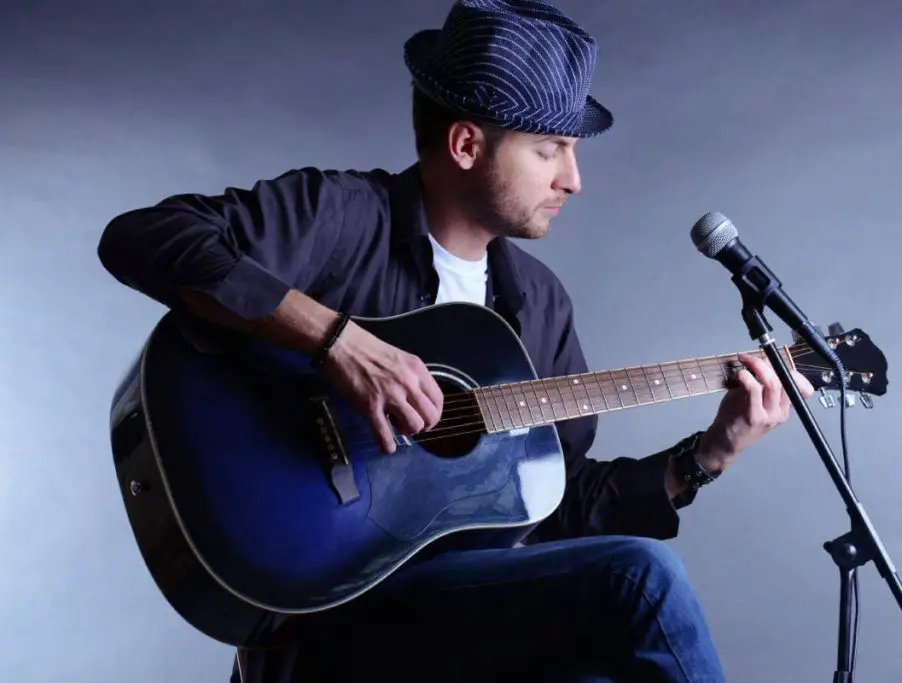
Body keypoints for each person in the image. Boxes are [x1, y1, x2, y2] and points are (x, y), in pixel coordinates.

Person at [98, 1, 814, 681]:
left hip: (459, 616)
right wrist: (337, 341)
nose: (574, 178)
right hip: (327, 609)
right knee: (639, 577)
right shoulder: (343, 218)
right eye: (550, 149)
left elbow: (553, 507)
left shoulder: (536, 303)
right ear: (467, 143)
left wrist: (709, 454)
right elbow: (145, 236)